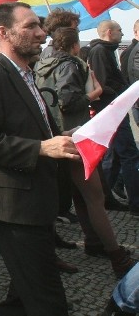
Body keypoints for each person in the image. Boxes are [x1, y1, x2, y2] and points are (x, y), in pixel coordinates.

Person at [0, 2, 78, 315]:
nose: (42, 33)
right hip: (15, 206)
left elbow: (34, 127)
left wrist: (71, 135)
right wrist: (41, 149)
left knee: (20, 300)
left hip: (37, 198)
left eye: (40, 26)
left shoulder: (26, 74)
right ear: (4, 33)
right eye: (31, 26)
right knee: (48, 302)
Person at [37, 27, 136, 277]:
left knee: (80, 196)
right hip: (74, 136)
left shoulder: (40, 64)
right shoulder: (71, 65)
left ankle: (93, 242)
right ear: (74, 45)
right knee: (95, 197)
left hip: (53, 136)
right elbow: (68, 100)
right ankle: (116, 256)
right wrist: (91, 95)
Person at [88, 20, 139, 215]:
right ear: (109, 32)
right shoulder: (101, 51)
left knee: (115, 155)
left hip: (112, 108)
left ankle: (104, 197)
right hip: (111, 109)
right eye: (119, 30)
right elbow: (102, 83)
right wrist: (123, 92)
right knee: (129, 153)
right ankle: (136, 203)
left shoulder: (105, 50)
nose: (121, 32)